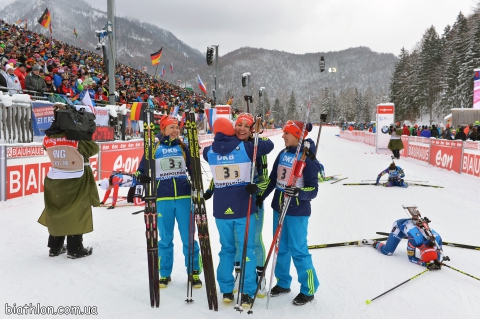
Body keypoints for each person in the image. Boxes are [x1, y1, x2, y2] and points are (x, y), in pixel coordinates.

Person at [203, 117, 274, 306]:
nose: (242, 129)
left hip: (254, 200)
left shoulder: (254, 148)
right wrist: (210, 189)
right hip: (242, 206)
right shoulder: (247, 148)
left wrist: (258, 190)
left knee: (254, 241)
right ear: (232, 128)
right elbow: (219, 174)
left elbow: (264, 176)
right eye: (238, 125)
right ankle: (241, 281)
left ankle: (259, 277)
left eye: (246, 126)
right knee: (240, 246)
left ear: (252, 129)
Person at [135, 115, 202, 289]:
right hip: (163, 197)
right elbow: (141, 169)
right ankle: (165, 273)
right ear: (163, 129)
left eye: (177, 127)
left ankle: (193, 271)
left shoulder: (182, 147)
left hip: (183, 196)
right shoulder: (154, 147)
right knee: (165, 238)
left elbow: (193, 169)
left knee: (189, 237)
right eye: (171, 127)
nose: (175, 130)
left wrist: (196, 180)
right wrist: (141, 176)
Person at [259, 120, 321, 306]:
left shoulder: (307, 158)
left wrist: (300, 193)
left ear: (297, 135)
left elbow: (314, 189)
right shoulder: (283, 153)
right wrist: (260, 197)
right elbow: (272, 180)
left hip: (297, 211)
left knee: (298, 249)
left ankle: (309, 288)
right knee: (280, 248)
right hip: (279, 208)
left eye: (287, 133)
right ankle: (283, 282)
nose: (283, 136)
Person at [37, 103, 100, 259]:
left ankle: (55, 246)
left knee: (57, 211)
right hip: (76, 179)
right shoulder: (76, 140)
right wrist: (81, 133)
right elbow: (93, 149)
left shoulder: (48, 139)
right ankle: (75, 248)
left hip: (55, 179)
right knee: (77, 212)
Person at [364, 218, 443, 270]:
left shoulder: (438, 240)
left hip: (414, 228)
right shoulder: (414, 241)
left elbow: (439, 255)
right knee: (388, 252)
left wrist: (436, 262)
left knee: (413, 235)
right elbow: (411, 258)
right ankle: (373, 243)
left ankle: (406, 234)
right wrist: (425, 264)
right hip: (399, 226)